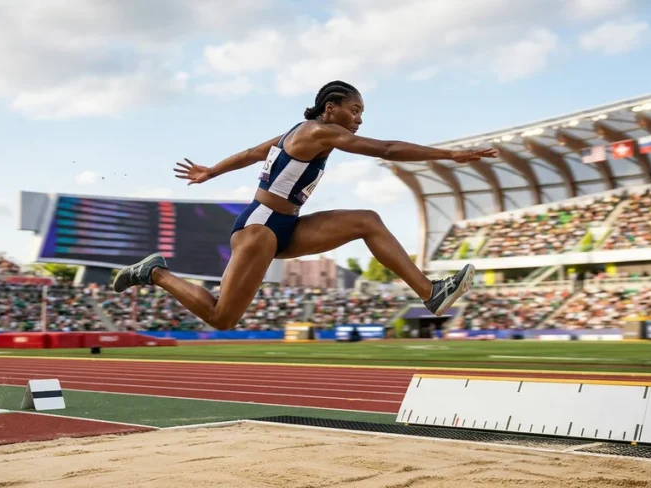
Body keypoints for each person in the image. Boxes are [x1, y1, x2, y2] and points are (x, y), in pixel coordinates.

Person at [113, 80, 497, 330]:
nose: (359, 119)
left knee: (367, 220)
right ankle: (156, 273)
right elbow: (386, 149)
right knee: (221, 317)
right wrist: (449, 153)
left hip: (288, 227)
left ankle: (430, 292)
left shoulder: (296, 133)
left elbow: (251, 153)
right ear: (331, 108)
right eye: (355, 110)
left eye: (362, 113)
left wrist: (211, 171)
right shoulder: (318, 131)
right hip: (259, 228)